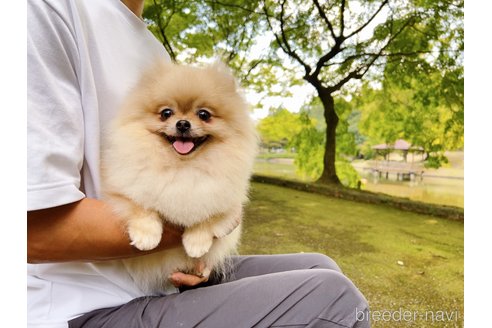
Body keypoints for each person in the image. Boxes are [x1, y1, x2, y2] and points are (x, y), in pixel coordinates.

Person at [27, 0, 370, 327]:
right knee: (336, 300)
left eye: (202, 115)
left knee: (320, 265)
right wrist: (200, 223)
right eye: (168, 114)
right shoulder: (47, 10)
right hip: (82, 304)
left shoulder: (152, 49)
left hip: (155, 281)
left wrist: (202, 252)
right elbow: (30, 231)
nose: (183, 122)